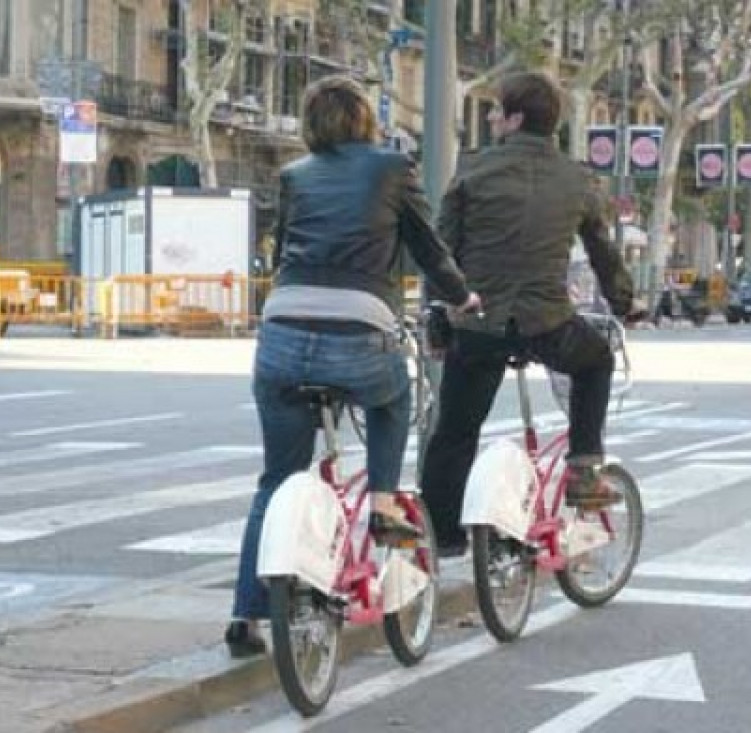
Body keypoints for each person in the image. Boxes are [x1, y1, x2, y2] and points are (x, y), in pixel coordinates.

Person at [225, 76, 480, 658]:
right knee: (393, 398)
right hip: (358, 332)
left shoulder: (294, 175)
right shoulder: (392, 168)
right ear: (366, 120)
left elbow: (283, 249)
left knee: (276, 480)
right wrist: (462, 297)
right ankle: (384, 505)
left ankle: (245, 614)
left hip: (282, 332)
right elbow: (428, 247)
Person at [420, 71, 633, 557]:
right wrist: (625, 302)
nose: (492, 118)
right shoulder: (578, 180)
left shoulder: (472, 170)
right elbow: (602, 252)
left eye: (497, 111)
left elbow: (441, 252)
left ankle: (443, 538)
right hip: (547, 324)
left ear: (515, 120)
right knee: (596, 360)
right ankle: (583, 469)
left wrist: (441, 315)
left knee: (454, 430)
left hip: (478, 323)